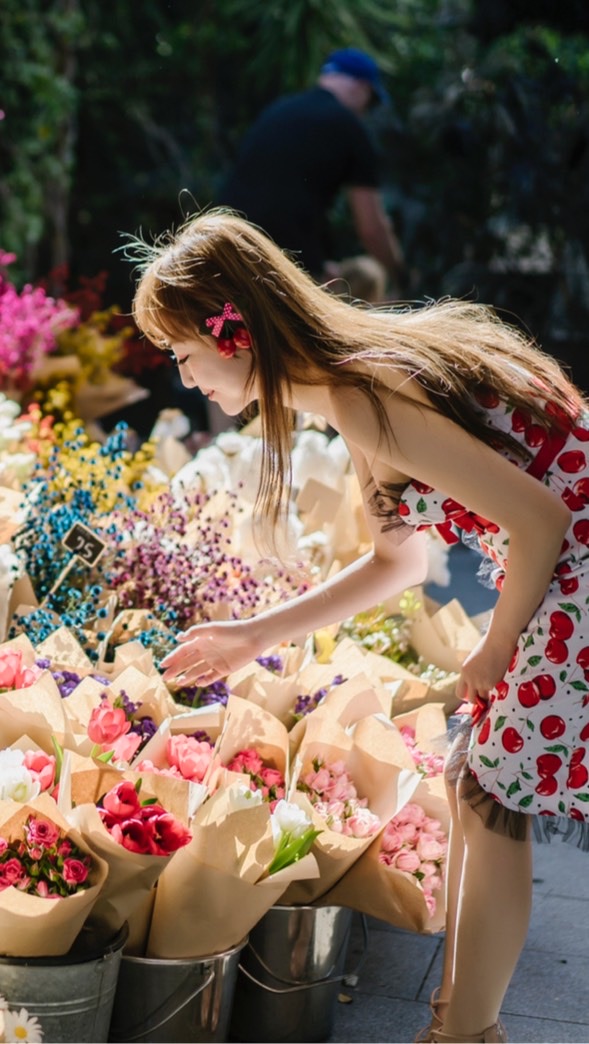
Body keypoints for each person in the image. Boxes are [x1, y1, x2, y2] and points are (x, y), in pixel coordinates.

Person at [128, 208, 589, 1044]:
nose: (183, 378)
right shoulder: (348, 394)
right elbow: (399, 564)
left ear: (229, 330)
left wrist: (491, 649)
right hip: (561, 566)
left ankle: (462, 1031)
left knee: (491, 794)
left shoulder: (360, 392)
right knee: (480, 786)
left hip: (573, 566)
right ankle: (461, 1024)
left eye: (181, 353)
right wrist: (250, 634)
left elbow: (541, 519)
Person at [217, 47, 405, 294]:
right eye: (370, 101)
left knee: (227, 325)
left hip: (224, 247)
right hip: (279, 265)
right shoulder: (350, 128)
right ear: (360, 88)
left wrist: (317, 260)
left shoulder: (278, 111)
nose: (365, 111)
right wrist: (400, 276)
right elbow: (371, 229)